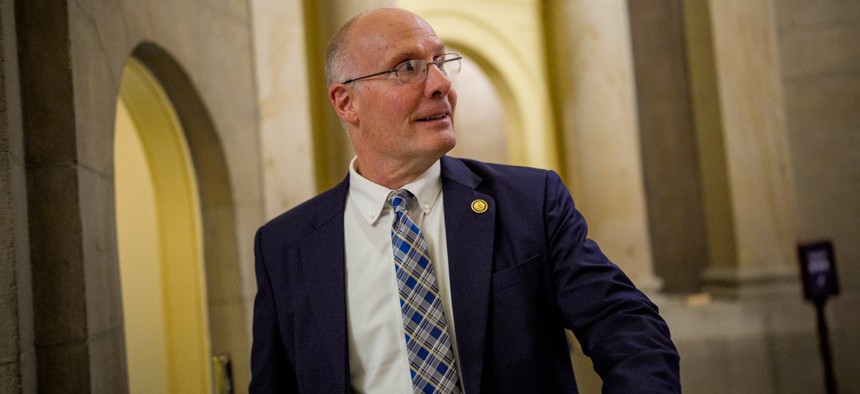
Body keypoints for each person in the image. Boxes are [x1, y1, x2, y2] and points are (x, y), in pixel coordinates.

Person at [250, 7, 680, 393]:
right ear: (346, 102)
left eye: (439, 63)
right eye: (408, 68)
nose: (441, 84)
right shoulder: (285, 246)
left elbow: (627, 327)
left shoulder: (530, 203)